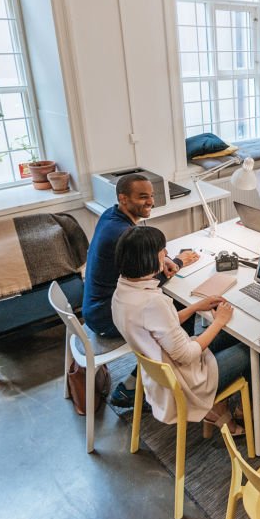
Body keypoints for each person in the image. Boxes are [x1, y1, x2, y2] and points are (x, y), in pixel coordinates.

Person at [111, 226, 257, 434]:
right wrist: (218, 321)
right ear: (149, 258)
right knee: (252, 349)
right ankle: (244, 411)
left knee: (230, 336)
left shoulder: (123, 290)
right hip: (186, 383)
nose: (167, 254)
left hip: (161, 372)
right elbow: (186, 355)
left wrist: (197, 307)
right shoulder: (152, 302)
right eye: (163, 250)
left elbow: (161, 326)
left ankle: (223, 408)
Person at [83, 174, 199, 406]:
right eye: (143, 197)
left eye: (152, 196)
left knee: (169, 309)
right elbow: (148, 282)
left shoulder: (111, 215)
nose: (151, 202)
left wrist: (161, 257)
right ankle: (151, 381)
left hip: (96, 305)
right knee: (177, 308)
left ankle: (157, 371)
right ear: (123, 199)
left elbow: (137, 269)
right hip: (108, 316)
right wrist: (177, 261)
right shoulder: (120, 233)